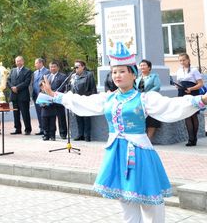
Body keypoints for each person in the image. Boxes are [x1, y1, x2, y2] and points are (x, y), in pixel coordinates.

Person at [39, 42, 207, 223]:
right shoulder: (108, 98)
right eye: (114, 72)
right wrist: (54, 95)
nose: (117, 75)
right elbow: (83, 102)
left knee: (150, 203)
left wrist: (202, 99)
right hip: (117, 153)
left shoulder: (144, 98)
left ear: (133, 74)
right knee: (126, 203)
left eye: (122, 71)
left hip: (140, 153)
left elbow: (171, 105)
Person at [175, 53, 203, 146]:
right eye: (180, 60)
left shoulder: (194, 70)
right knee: (187, 115)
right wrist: (177, 86)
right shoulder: (179, 71)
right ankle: (190, 139)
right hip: (182, 93)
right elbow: (179, 82)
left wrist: (191, 89)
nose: (182, 62)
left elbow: (200, 84)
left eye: (184, 60)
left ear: (188, 60)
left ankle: (194, 138)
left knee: (193, 115)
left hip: (193, 93)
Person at [40, 61, 67, 141]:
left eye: (54, 66)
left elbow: (62, 87)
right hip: (49, 100)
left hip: (58, 99)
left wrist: (52, 93)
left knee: (61, 117)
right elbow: (42, 87)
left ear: (57, 67)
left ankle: (63, 133)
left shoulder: (62, 76)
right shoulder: (47, 76)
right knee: (50, 118)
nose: (53, 68)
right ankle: (50, 134)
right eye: (51, 67)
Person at [71, 60, 97, 142]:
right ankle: (80, 134)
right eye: (75, 66)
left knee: (86, 118)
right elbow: (71, 88)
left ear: (83, 67)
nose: (76, 68)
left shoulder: (88, 75)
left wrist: (93, 98)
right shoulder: (73, 76)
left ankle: (87, 135)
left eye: (77, 66)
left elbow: (93, 88)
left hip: (86, 99)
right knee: (78, 117)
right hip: (76, 99)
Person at [136, 59, 162, 141]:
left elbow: (157, 86)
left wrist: (146, 94)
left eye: (144, 65)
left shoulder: (154, 76)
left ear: (149, 67)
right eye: (141, 65)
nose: (142, 67)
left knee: (151, 119)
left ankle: (149, 139)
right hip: (140, 100)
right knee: (141, 118)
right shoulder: (137, 77)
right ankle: (142, 138)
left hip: (150, 100)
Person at [9, 56, 32, 135]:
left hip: (23, 96)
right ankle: (17, 129)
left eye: (19, 61)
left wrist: (17, 88)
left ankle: (27, 129)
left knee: (25, 114)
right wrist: (12, 87)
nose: (18, 62)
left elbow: (26, 82)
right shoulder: (12, 70)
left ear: (23, 61)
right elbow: (8, 80)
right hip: (14, 95)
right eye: (17, 61)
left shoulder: (28, 71)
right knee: (16, 114)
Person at [31, 58, 49, 136]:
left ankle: (46, 129)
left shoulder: (47, 71)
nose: (35, 65)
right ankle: (41, 128)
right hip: (35, 95)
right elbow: (32, 83)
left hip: (43, 95)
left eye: (36, 63)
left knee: (44, 113)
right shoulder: (34, 73)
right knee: (39, 113)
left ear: (41, 63)